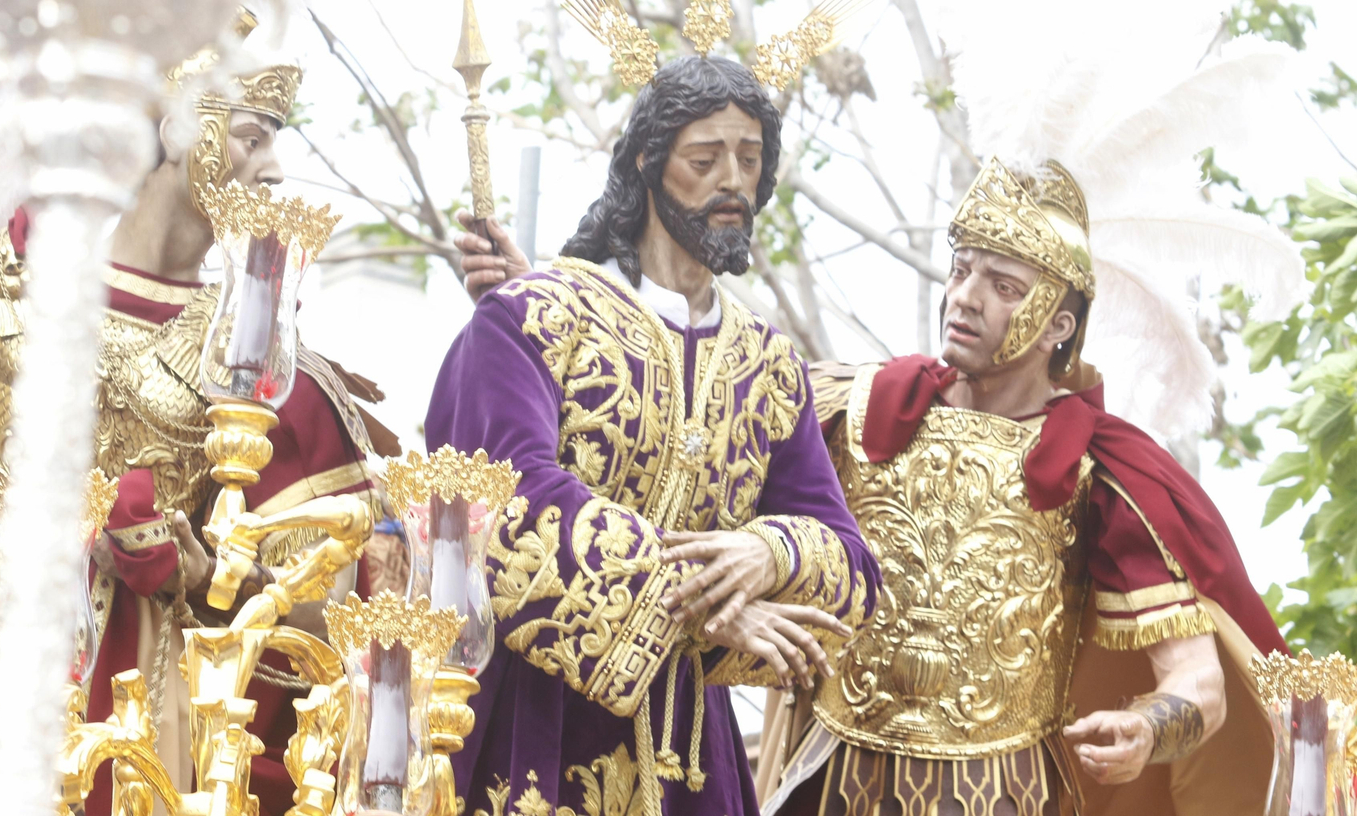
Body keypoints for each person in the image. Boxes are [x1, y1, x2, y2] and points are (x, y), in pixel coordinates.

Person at [0, 25, 397, 816]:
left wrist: (218, 579)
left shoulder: (265, 366)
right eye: (251, 135)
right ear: (172, 121)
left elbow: (333, 614)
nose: (271, 167)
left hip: (138, 693)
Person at [753, 159, 1288, 816]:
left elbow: (1200, 682)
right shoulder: (848, 412)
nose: (966, 297)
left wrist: (1148, 726)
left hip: (1005, 796)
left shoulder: (1102, 474)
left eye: (1003, 285)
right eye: (961, 270)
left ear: (1059, 325)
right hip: (834, 784)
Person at [427, 51, 882, 816]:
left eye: (751, 160)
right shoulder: (534, 319)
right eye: (706, 159)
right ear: (646, 161)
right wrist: (696, 600)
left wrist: (764, 554)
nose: (734, 182)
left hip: (688, 756)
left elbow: (852, 569)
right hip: (528, 730)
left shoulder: (769, 366)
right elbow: (505, 500)